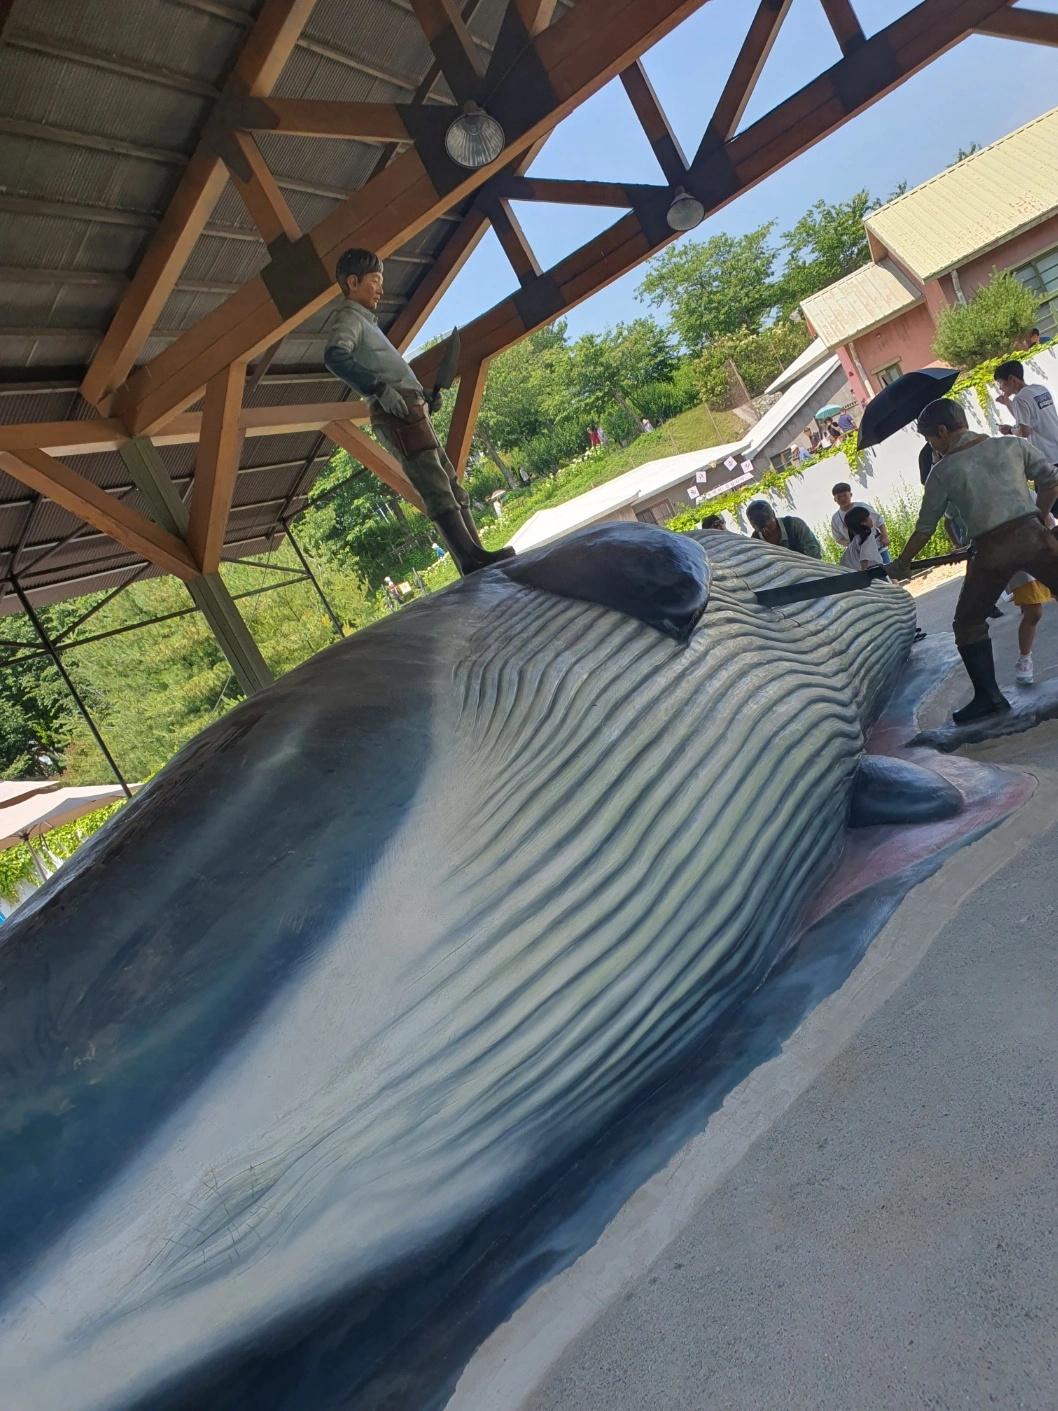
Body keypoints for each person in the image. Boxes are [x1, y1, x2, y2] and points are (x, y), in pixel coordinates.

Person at [323, 247, 514, 576]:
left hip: (410, 409)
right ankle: (469, 558)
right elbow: (335, 356)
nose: (381, 289)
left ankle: (476, 551)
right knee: (435, 483)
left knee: (449, 481)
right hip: (397, 414)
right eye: (375, 281)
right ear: (353, 282)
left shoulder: (366, 323)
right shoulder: (349, 319)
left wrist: (422, 396)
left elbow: (389, 371)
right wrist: (380, 390)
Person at [890, 398, 1058, 723]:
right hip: (1034, 537)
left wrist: (903, 562)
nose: (934, 447)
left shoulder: (942, 472)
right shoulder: (1012, 444)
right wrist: (1042, 514)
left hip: (991, 551)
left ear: (941, 431)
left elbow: (925, 527)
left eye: (931, 440)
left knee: (968, 624)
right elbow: (1050, 481)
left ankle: (989, 698)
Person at [994, 360, 1058, 469]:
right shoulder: (1040, 389)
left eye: (1000, 382)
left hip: (1048, 457)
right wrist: (1008, 403)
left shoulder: (1020, 399)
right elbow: (1028, 419)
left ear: (1011, 379)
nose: (1000, 388)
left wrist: (1010, 430)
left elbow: (1024, 432)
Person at [831, 482, 890, 560]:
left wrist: (884, 536)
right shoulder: (835, 518)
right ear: (835, 499)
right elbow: (838, 538)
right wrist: (850, 544)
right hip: (860, 554)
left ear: (850, 495)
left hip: (878, 546)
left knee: (888, 570)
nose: (842, 499)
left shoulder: (862, 506)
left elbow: (879, 521)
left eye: (845, 495)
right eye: (839, 497)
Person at [746, 500, 821, 557]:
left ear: (774, 515)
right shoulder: (755, 541)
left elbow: (813, 551)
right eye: (760, 529)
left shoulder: (795, 525)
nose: (765, 530)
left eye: (768, 525)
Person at [840, 505, 885, 571]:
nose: (871, 518)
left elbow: (844, 560)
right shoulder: (868, 537)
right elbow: (864, 558)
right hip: (872, 571)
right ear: (864, 523)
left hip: (850, 571)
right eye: (868, 517)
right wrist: (864, 572)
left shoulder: (855, 539)